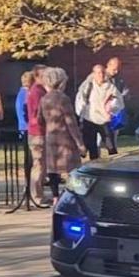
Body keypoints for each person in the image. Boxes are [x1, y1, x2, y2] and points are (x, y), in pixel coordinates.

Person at [39, 67, 85, 204]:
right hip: (65, 139)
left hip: (50, 137)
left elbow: (39, 119)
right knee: (73, 169)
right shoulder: (63, 98)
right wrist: (80, 143)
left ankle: (55, 197)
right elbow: (71, 122)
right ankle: (76, 195)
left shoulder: (44, 98)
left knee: (52, 169)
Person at [75, 64, 122, 160]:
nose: (101, 75)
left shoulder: (110, 87)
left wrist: (111, 108)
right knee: (92, 146)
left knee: (111, 146)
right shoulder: (88, 86)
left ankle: (114, 165)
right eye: (98, 73)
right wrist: (81, 115)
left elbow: (118, 101)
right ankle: (94, 165)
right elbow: (80, 101)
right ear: (94, 74)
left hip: (104, 120)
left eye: (102, 72)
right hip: (90, 119)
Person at [26, 65, 48, 203]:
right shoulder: (37, 92)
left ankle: (39, 193)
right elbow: (36, 115)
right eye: (44, 75)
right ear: (37, 76)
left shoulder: (41, 90)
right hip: (37, 132)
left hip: (41, 131)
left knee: (42, 164)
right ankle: (36, 196)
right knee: (38, 164)